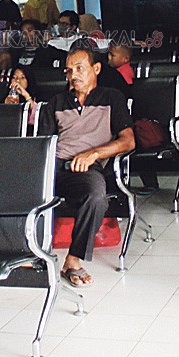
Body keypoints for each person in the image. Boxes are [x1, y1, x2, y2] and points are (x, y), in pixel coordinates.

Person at [38, 47, 136, 287]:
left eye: (79, 68)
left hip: (86, 169)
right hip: (54, 166)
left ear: (96, 69)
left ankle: (73, 260)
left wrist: (93, 154)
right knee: (13, 182)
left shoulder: (111, 98)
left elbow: (128, 140)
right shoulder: (57, 102)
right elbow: (42, 144)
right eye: (69, 70)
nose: (73, 75)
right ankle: (22, 252)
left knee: (95, 193)